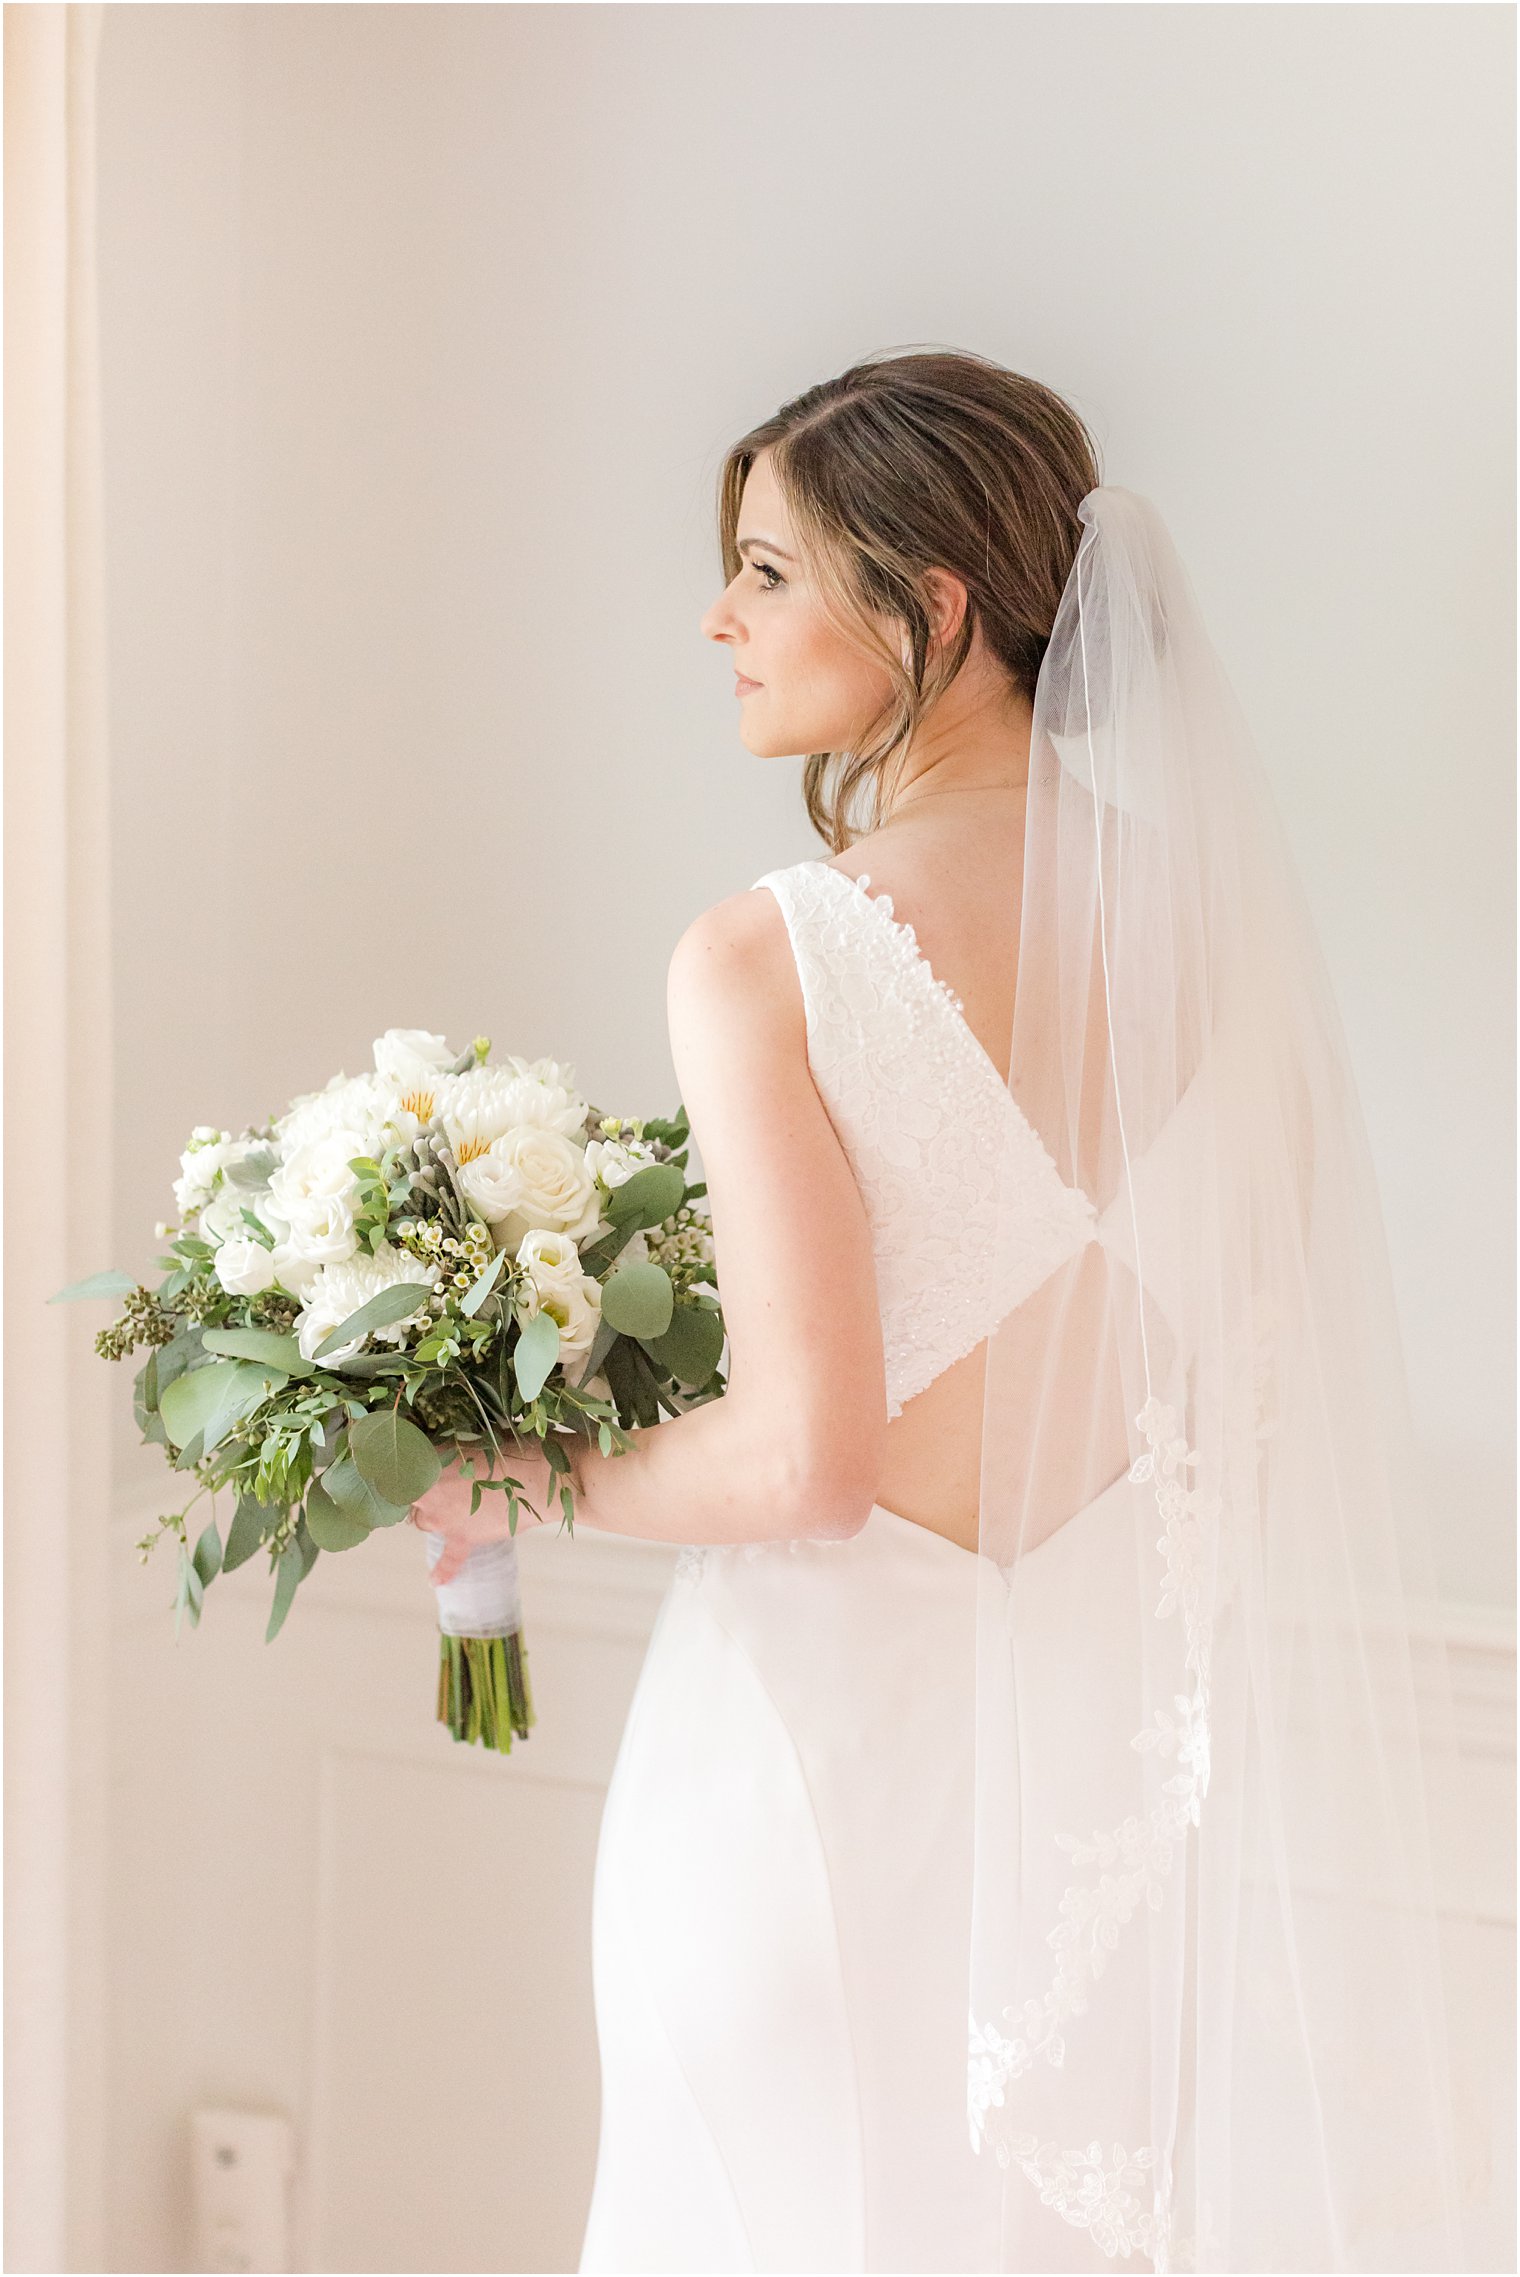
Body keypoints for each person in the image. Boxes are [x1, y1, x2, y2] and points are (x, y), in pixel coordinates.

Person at [411, 351, 1478, 2273]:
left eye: (764, 570)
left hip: (799, 1786)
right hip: (1088, 1844)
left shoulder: (771, 954)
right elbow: (1208, 1406)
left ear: (934, 605)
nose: (715, 618)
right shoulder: (1226, 941)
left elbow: (810, 1465)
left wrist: (509, 1475)